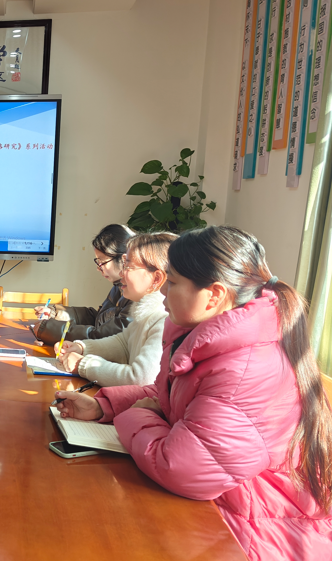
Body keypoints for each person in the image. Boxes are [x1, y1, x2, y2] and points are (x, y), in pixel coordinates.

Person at [54, 226, 332, 560]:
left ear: (213, 295)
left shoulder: (246, 367)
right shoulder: (209, 337)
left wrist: (136, 414)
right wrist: (104, 407)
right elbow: (167, 395)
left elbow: (181, 468)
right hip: (225, 506)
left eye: (172, 282)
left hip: (254, 531)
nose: (163, 291)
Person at [56, 232, 177, 386]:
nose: (121, 273)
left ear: (156, 278)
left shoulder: (163, 318)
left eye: (128, 267)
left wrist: (82, 364)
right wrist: (82, 347)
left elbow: (140, 378)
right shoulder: (145, 311)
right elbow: (123, 344)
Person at [34, 224, 135, 344]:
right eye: (97, 262)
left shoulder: (138, 295)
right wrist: (56, 313)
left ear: (124, 258)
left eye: (102, 262)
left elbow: (105, 335)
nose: (98, 268)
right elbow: (98, 319)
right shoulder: (119, 286)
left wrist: (51, 330)